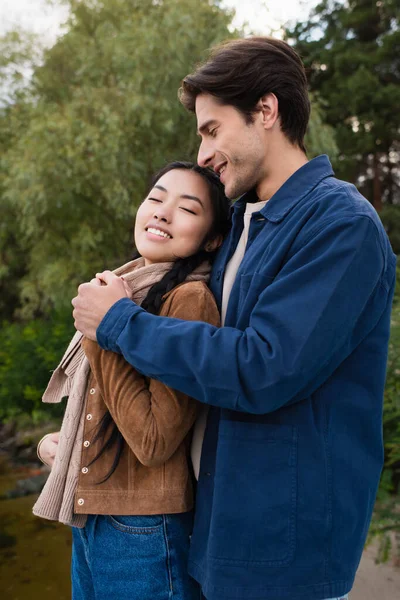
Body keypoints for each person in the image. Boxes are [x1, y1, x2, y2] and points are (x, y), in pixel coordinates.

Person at [71, 37, 396, 600]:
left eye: (212, 129)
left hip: (284, 558)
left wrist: (121, 323)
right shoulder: (242, 224)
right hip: (216, 537)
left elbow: (262, 368)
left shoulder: (341, 225)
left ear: (265, 112)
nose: (202, 153)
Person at [33, 161, 230, 600]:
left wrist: (105, 330)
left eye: (187, 209)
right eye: (156, 198)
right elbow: (112, 408)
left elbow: (155, 441)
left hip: (143, 529)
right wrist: (67, 448)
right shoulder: (130, 287)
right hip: (95, 519)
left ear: (212, 238)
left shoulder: (189, 299)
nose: (162, 212)